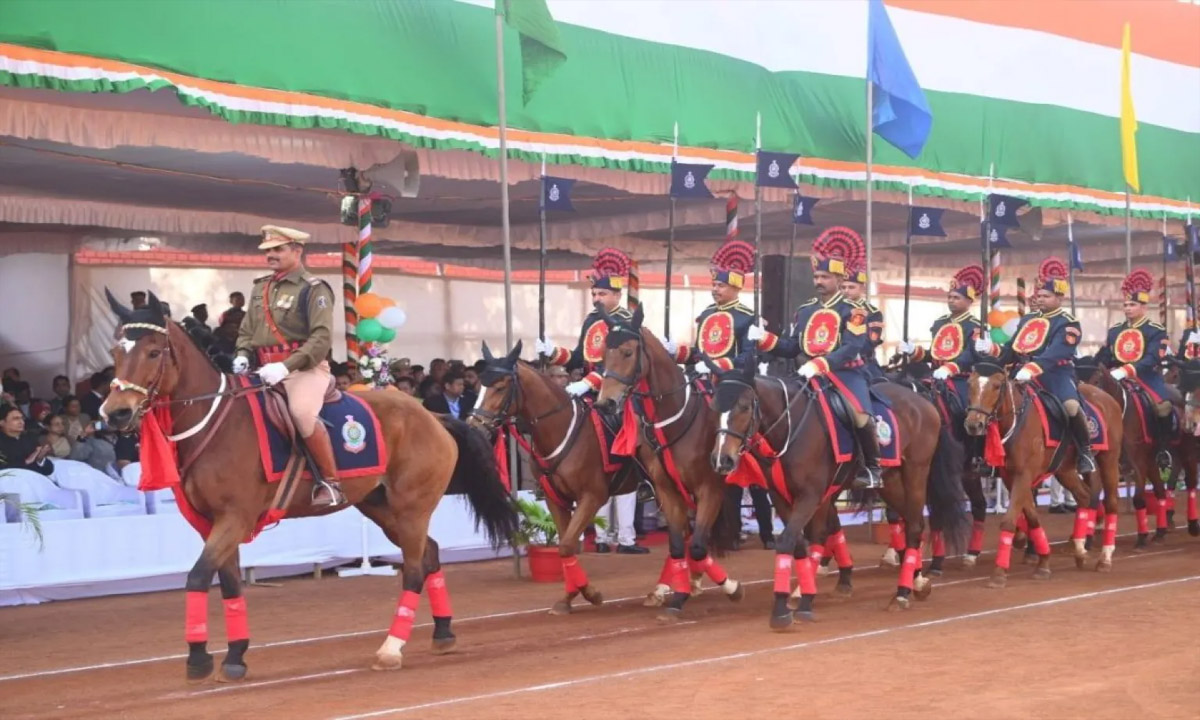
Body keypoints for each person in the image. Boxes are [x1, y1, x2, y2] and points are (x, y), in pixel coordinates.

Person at [536, 247, 648, 554]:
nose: (596, 298)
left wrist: (589, 382)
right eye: (594, 293)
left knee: (627, 437)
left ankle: (641, 478)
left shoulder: (626, 321)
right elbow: (577, 357)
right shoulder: (591, 320)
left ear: (616, 295)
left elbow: (615, 366)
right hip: (586, 391)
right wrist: (553, 351)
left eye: (602, 293)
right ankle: (599, 534)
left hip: (617, 392)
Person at [665, 238, 774, 549]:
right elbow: (699, 352)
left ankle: (767, 531)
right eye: (714, 284)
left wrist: (715, 366)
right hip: (703, 380)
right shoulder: (706, 314)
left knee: (750, 456)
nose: (716, 289)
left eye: (722, 285)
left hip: (734, 384)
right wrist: (677, 351)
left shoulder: (747, 318)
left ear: (737, 287)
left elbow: (747, 359)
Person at [754, 226, 881, 489]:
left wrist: (821, 363)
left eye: (824, 276)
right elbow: (792, 347)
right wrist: (765, 338)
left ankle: (872, 468)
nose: (819, 281)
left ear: (838, 278)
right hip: (806, 373)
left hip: (845, 373)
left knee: (860, 416)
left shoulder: (854, 311)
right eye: (816, 276)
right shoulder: (805, 310)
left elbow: (852, 346)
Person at [233, 225, 342, 506]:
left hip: (303, 369)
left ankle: (331, 483)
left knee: (302, 413)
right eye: (268, 250)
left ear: (297, 250)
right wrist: (243, 353)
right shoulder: (260, 287)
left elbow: (321, 338)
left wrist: (285, 367)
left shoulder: (314, 289)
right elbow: (247, 330)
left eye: (278, 249)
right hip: (262, 369)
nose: (271, 255)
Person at [977, 257, 1095, 474]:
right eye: (1039, 295)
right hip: (1020, 374)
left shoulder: (1067, 322)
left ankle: (1085, 451)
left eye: (1046, 296)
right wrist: (991, 350)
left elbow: (1056, 352)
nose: (1040, 299)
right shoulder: (1027, 320)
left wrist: (1031, 369)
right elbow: (1011, 349)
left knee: (1071, 407)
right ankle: (990, 458)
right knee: (991, 405)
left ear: (1059, 297)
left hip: (1055, 375)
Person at [1095, 268, 1173, 468]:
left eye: (1132, 304)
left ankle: (1162, 449)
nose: (1128, 308)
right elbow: (1105, 356)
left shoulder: (1155, 331)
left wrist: (1128, 370)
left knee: (1162, 407)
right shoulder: (1115, 331)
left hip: (1145, 378)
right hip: (1116, 377)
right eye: (1125, 305)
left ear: (1143, 307)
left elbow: (1152, 358)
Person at [840, 260, 886, 381]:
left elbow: (868, 343)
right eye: (843, 287)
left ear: (862, 288)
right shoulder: (836, 310)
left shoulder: (873, 313)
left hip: (863, 363)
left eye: (851, 287)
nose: (846, 291)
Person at [0, 404, 53, 475]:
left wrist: (40, 460)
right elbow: (3, 469)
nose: (21, 422)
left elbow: (49, 471)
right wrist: (26, 461)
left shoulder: (30, 438)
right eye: (16, 419)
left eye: (22, 418)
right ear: (2, 422)